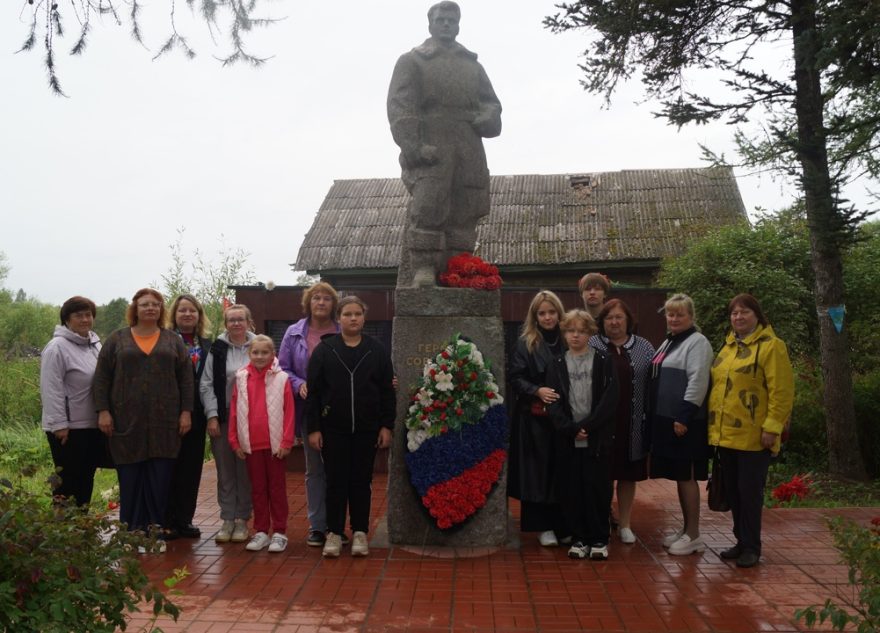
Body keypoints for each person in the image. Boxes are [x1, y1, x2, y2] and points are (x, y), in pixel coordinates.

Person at [387, 0, 502, 287]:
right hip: (433, 149)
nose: (447, 23)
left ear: (458, 24)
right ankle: (424, 268)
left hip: (468, 146)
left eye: (452, 19)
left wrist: (486, 118)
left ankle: (458, 269)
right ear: (431, 23)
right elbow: (401, 107)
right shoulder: (412, 60)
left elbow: (492, 104)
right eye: (441, 19)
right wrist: (414, 147)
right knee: (428, 208)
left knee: (465, 210)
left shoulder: (472, 66)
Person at [93, 288, 193, 546]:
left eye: (156, 305)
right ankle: (130, 530)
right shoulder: (117, 340)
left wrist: (185, 413)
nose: (150, 308)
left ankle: (155, 529)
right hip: (126, 422)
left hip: (166, 423)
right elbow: (102, 378)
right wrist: (103, 411)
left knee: (160, 478)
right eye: (145, 304)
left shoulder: (173, 340)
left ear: (161, 310)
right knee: (129, 478)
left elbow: (186, 380)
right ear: (135, 309)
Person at [708, 294, 794, 568]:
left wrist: (773, 428)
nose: (738, 317)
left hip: (755, 437)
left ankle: (752, 546)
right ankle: (740, 540)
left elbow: (782, 392)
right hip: (726, 435)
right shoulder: (728, 347)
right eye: (734, 313)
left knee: (749, 492)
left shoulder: (772, 347)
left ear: (757, 315)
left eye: (744, 312)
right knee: (733, 492)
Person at [305, 296, 395, 558]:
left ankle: (359, 532)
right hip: (333, 429)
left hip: (367, 429)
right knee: (335, 482)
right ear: (339, 318)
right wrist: (314, 428)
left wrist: (386, 426)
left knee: (361, 481)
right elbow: (314, 393)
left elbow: (387, 392)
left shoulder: (376, 350)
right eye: (347, 314)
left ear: (364, 318)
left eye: (357, 314)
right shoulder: (325, 350)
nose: (353, 318)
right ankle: (334, 533)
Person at [545, 310, 618, 560]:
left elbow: (610, 399)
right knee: (572, 488)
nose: (576, 335)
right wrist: (572, 428)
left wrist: (589, 425)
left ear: (590, 333)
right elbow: (552, 403)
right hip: (568, 437)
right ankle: (579, 538)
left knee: (597, 487)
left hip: (596, 438)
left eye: (581, 330)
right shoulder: (556, 364)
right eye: (570, 330)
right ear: (564, 333)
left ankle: (599, 538)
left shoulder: (603, 360)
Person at [649, 293, 714, 556]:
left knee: (687, 476)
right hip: (667, 421)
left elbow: (698, 381)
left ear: (691, 316)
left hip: (685, 423)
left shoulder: (698, 343)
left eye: (680, 314)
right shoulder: (670, 341)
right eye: (670, 314)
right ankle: (685, 529)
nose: (674, 318)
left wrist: (683, 416)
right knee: (678, 475)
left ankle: (694, 534)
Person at [278, 282, 340, 547]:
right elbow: (282, 368)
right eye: (317, 298)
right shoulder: (293, 334)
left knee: (338, 469)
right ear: (308, 302)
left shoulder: (342, 331)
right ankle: (317, 526)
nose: (322, 302)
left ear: (333, 304)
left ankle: (337, 526)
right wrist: (297, 384)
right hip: (308, 409)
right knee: (314, 469)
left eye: (327, 298)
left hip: (339, 410)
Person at [591, 299, 655, 544]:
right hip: (602, 422)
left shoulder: (644, 347)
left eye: (619, 317)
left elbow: (653, 382)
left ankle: (625, 523)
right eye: (609, 318)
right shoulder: (593, 344)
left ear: (628, 320)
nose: (614, 322)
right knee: (602, 473)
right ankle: (602, 520)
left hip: (633, 422)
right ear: (602, 322)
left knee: (627, 474)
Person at [508, 290, 568, 546]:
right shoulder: (526, 341)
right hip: (534, 419)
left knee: (562, 471)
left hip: (565, 416)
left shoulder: (569, 337)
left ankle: (562, 524)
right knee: (537, 473)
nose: (547, 317)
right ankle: (541, 526)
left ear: (559, 313)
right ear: (535, 316)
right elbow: (515, 376)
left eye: (551, 312)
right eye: (542, 313)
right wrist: (536, 390)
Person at [229, 335, 295, 553]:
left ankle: (279, 532)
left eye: (264, 352)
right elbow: (234, 411)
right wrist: (234, 440)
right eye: (255, 352)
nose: (259, 356)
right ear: (249, 354)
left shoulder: (282, 378)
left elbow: (289, 413)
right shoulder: (241, 377)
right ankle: (260, 531)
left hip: (275, 445)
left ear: (272, 354)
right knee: (257, 489)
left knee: (276, 488)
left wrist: (286, 441)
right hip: (251, 444)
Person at [40, 296, 104, 506]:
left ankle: (81, 530)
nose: (85, 319)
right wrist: (59, 424)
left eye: (88, 315)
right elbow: (51, 388)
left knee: (86, 478)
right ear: (67, 319)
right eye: (79, 315)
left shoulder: (94, 345)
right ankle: (62, 531)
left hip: (91, 425)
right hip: (68, 429)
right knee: (67, 482)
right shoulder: (56, 347)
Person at [200, 304, 255, 543]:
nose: (236, 324)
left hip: (251, 419)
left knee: (245, 470)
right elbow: (206, 383)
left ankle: (243, 518)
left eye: (240, 319)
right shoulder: (217, 349)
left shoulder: (259, 345)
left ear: (248, 321)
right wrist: (212, 415)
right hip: (223, 416)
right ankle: (227, 518)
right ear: (226, 324)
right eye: (231, 320)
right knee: (225, 469)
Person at [163, 294, 212, 540]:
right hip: (170, 415)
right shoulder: (164, 341)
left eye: (192, 311)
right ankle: (166, 520)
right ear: (174, 314)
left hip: (199, 414)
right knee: (169, 466)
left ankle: (184, 520)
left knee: (191, 468)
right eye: (182, 310)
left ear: (199, 315)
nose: (187, 315)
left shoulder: (207, 344)